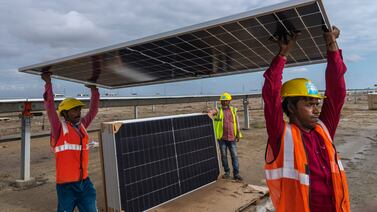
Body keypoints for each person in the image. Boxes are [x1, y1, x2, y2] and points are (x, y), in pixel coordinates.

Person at [262, 26, 350, 212]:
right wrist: (282, 55)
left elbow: (337, 92)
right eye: (309, 104)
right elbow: (271, 96)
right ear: (292, 107)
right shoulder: (281, 136)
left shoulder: (323, 129)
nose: (316, 110)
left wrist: (332, 45)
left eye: (317, 104)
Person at [41, 71, 100, 212]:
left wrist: (94, 90)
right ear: (65, 113)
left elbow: (93, 110)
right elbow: (49, 108)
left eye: (79, 109)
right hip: (66, 186)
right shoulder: (58, 129)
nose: (78, 113)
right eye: (74, 110)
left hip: (84, 183)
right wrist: (48, 83)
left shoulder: (82, 126)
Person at [208, 92, 243, 181]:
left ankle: (236, 174)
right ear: (221, 101)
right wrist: (209, 113)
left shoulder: (233, 110)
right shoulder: (218, 110)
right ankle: (227, 172)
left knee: (234, 156)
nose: (224, 102)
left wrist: (238, 134)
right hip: (222, 139)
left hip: (232, 138)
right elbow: (210, 114)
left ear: (229, 101)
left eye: (226, 101)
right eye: (223, 101)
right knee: (223, 156)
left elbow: (237, 123)